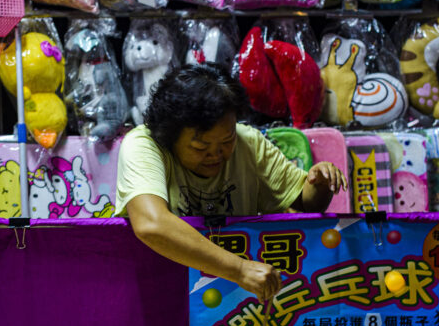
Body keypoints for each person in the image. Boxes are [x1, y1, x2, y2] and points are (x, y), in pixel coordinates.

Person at [115, 64, 347, 301]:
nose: (216, 155)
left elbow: (305, 205)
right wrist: (239, 269)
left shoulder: (249, 142)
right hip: (161, 292)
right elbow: (151, 224)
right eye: (200, 147)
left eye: (227, 141)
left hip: (231, 301)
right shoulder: (144, 144)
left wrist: (319, 183)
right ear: (169, 136)